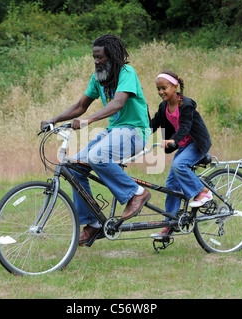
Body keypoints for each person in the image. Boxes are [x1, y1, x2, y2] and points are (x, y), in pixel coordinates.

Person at [40, 34, 151, 244]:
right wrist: (53, 120)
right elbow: (80, 106)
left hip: (135, 131)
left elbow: (118, 103)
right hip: (114, 132)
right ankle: (93, 223)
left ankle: (136, 193)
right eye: (94, 57)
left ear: (112, 55)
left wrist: (87, 121)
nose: (96, 61)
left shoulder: (127, 72)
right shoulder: (97, 78)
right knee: (75, 168)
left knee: (97, 156)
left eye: (100, 57)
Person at [149, 70, 212, 239]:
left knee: (179, 165)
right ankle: (169, 223)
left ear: (175, 87)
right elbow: (153, 124)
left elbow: (185, 127)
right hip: (184, 146)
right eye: (158, 89)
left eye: (164, 88)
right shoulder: (163, 107)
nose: (161, 92)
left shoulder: (186, 104)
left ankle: (203, 191)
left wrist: (173, 141)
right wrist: (141, 133)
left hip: (196, 144)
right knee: (171, 185)